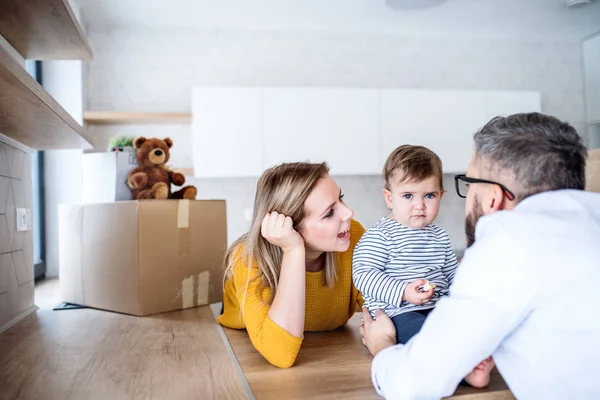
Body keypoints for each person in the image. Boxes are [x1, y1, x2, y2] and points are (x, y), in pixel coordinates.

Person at [360, 112, 600, 399]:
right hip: (402, 310)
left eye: (470, 182)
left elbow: (413, 383)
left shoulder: (508, 242)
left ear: (493, 197)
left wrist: (382, 345)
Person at [353, 144, 492, 388]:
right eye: (408, 196)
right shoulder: (380, 235)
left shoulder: (439, 236)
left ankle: (471, 362)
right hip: (397, 313)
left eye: (429, 195)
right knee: (424, 336)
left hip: (436, 309)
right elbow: (364, 275)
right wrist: (403, 291)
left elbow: (453, 275)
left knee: (461, 328)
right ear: (389, 198)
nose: (420, 205)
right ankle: (459, 372)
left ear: (441, 195)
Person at [216, 161, 366, 368]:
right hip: (236, 342)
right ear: (291, 228)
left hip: (328, 342)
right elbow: (280, 354)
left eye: (341, 198)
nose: (348, 212)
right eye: (329, 213)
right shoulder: (247, 259)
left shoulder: (352, 236)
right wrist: (293, 250)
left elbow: (379, 304)